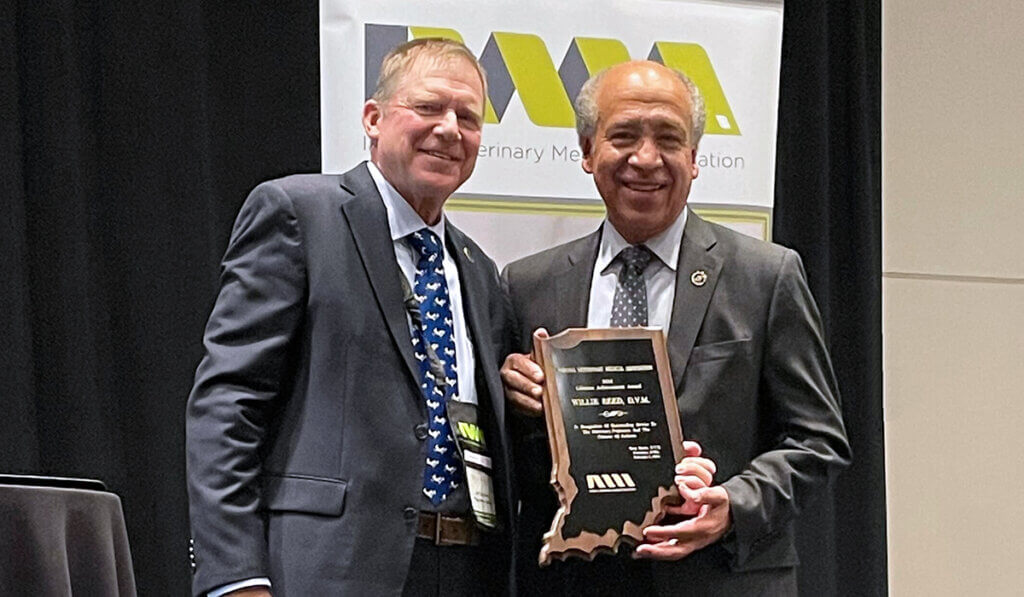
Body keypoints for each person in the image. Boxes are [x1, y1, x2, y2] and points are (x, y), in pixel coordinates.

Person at [500, 60, 851, 595]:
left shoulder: (767, 276)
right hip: (576, 584)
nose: (646, 158)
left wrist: (734, 503)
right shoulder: (528, 285)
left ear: (694, 157)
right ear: (588, 151)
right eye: (624, 136)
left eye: (669, 138)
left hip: (720, 579)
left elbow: (817, 439)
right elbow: (519, 465)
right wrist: (520, 401)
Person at [186, 39, 514, 596]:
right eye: (429, 108)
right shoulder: (298, 214)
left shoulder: (481, 272)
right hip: (330, 570)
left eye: (468, 117)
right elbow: (228, 403)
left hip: (465, 568)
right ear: (372, 118)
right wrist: (235, 573)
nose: (450, 129)